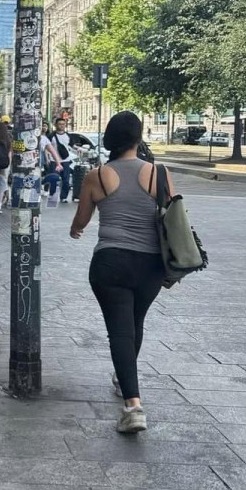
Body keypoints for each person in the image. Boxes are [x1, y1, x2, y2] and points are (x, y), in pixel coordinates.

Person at [69, 110, 175, 434]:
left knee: (120, 330)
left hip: (110, 263)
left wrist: (76, 229)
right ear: (138, 139)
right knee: (134, 322)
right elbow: (174, 215)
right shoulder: (159, 173)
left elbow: (82, 219)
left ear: (110, 139)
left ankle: (133, 406)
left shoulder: (97, 175)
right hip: (150, 264)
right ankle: (123, 379)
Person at [50, 117, 73, 203]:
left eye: (63, 124)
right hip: (54, 161)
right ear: (56, 125)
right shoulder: (51, 136)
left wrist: (79, 149)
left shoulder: (68, 136)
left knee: (66, 180)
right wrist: (48, 157)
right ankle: (52, 195)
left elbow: (72, 145)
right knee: (54, 179)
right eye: (60, 124)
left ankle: (63, 197)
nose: (62, 126)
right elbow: (46, 147)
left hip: (65, 161)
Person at [40, 119, 63, 200]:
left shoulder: (46, 137)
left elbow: (52, 151)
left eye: (45, 126)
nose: (44, 128)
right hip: (44, 159)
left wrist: (58, 163)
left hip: (43, 160)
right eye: (42, 126)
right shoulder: (47, 137)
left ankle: (46, 189)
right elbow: (51, 151)